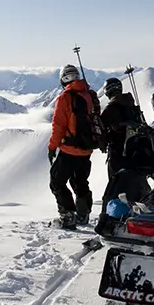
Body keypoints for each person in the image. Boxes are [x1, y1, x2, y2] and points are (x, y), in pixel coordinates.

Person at [48, 64, 102, 229]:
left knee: (57, 182)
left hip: (69, 149)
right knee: (80, 182)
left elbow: (59, 125)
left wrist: (52, 147)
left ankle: (68, 215)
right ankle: (83, 214)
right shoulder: (90, 95)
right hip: (86, 149)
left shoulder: (65, 98)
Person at [100, 77, 143, 178]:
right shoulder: (132, 105)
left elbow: (100, 126)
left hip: (117, 151)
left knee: (116, 182)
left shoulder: (111, 108)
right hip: (135, 150)